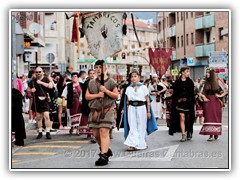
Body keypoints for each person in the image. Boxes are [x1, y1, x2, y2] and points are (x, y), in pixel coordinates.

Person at [86, 60, 118, 166]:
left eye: (100, 67)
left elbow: (116, 96)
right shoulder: (91, 82)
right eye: (97, 67)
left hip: (108, 110)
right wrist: (98, 95)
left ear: (105, 68)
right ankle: (106, 150)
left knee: (104, 131)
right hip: (95, 111)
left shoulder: (111, 82)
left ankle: (103, 156)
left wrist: (106, 91)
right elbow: (87, 96)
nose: (98, 69)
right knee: (95, 134)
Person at [123, 70, 158, 151]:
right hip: (131, 108)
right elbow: (127, 102)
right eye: (132, 76)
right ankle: (132, 144)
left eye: (135, 76)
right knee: (132, 126)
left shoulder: (143, 87)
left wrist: (148, 111)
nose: (133, 78)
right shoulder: (128, 88)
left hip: (141, 108)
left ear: (139, 77)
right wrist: (127, 111)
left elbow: (147, 100)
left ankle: (140, 143)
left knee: (141, 126)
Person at [198, 68, 228, 141]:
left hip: (216, 102)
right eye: (206, 73)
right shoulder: (204, 82)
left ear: (212, 74)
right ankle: (211, 135)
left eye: (208, 73)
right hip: (208, 102)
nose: (207, 74)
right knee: (208, 118)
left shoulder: (218, 82)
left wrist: (220, 96)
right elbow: (199, 92)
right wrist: (203, 97)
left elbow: (226, 90)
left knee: (215, 117)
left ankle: (216, 132)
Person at [169, 67, 195, 142]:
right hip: (180, 103)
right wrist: (177, 99)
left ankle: (189, 132)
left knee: (189, 119)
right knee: (182, 117)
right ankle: (183, 135)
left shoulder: (190, 82)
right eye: (187, 71)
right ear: (182, 72)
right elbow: (175, 93)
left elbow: (192, 94)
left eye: (188, 72)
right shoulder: (177, 82)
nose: (188, 73)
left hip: (188, 103)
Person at [27, 67, 54, 139]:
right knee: (38, 117)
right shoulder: (32, 81)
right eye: (37, 72)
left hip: (45, 100)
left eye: (39, 72)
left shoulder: (46, 79)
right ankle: (40, 132)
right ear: (35, 73)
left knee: (46, 115)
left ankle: (48, 132)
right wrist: (31, 90)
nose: (38, 73)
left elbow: (51, 86)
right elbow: (27, 89)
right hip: (37, 101)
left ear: (42, 72)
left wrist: (41, 82)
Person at [81, 69, 96, 143]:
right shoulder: (86, 83)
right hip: (87, 103)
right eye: (91, 73)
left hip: (95, 103)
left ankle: (93, 134)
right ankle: (90, 133)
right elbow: (83, 95)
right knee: (89, 119)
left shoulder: (97, 82)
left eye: (93, 73)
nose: (92, 75)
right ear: (88, 74)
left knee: (94, 118)